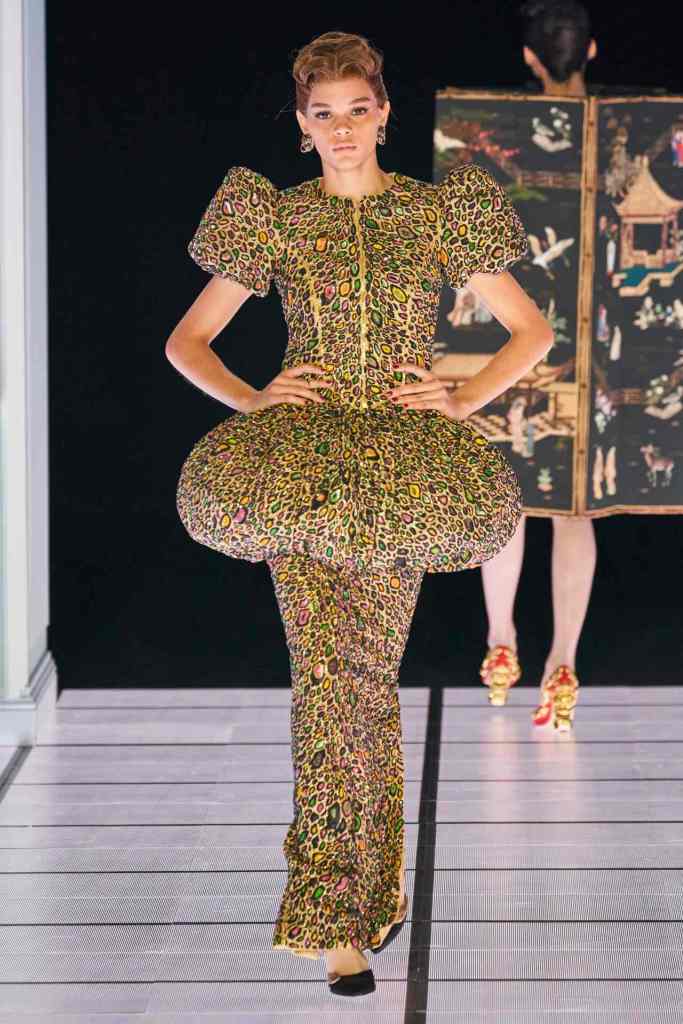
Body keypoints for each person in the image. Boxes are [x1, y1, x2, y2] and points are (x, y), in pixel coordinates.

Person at [166, 30, 552, 998]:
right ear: (302, 125)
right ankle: (338, 918)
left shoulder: (433, 212)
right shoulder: (279, 218)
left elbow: (529, 330)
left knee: (363, 682)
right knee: (328, 683)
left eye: (356, 109)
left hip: (402, 475)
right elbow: (188, 341)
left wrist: (461, 398)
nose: (340, 128)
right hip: (299, 471)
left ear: (383, 112)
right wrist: (254, 398)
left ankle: (366, 896)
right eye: (321, 113)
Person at [477, 1, 598, 732]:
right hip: (596, 341)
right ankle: (563, 661)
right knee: (575, 506)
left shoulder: (499, 135)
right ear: (592, 51)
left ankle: (501, 641)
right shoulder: (627, 132)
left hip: (514, 333)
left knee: (509, 494)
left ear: (527, 59)